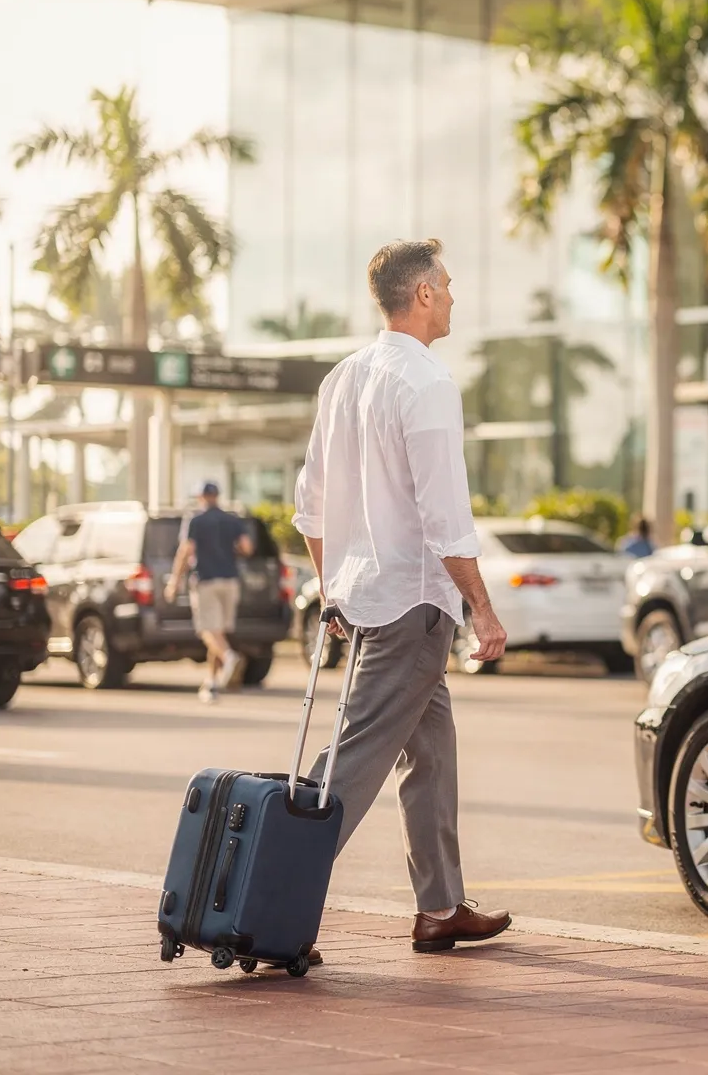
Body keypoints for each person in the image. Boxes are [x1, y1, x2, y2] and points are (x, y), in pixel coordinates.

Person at [293, 238, 513, 963]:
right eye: (445, 284)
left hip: (366, 601)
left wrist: (333, 590)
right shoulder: (425, 381)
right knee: (353, 761)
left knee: (432, 754)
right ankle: (271, 905)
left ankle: (440, 907)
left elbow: (311, 508)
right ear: (420, 294)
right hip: (411, 608)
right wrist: (481, 607)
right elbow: (444, 515)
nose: (452, 295)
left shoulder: (345, 379)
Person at [165, 481, 253, 703]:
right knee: (218, 633)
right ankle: (212, 683)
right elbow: (246, 547)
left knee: (207, 630)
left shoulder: (196, 520)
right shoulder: (232, 520)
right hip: (230, 581)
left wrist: (174, 581)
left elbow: (187, 550)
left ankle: (229, 657)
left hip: (206, 581)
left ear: (201, 497)